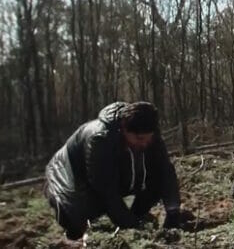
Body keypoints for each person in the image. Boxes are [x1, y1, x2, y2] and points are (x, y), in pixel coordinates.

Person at [44, 102, 181, 240]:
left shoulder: (149, 135)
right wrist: (132, 228)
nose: (145, 143)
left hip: (109, 172)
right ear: (124, 128)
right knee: (75, 219)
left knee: (156, 183)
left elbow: (165, 171)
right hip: (67, 174)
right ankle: (68, 217)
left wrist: (173, 211)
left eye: (148, 139)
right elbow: (106, 190)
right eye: (139, 139)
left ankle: (135, 217)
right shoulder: (100, 138)